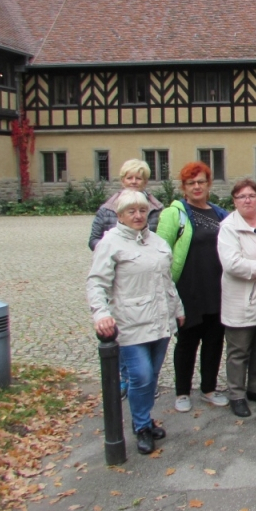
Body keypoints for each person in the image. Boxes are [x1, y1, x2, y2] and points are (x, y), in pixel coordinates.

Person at [88, 190, 184, 455]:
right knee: (140, 375)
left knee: (151, 376)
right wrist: (101, 314)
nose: (138, 216)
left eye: (142, 211)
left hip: (160, 320)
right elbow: (96, 282)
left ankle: (143, 418)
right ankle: (141, 426)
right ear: (119, 215)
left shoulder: (157, 242)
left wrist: (178, 308)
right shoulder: (111, 243)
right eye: (131, 211)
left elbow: (166, 281)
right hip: (130, 322)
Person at [156, 162, 230, 413]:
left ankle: (209, 388)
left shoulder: (220, 214)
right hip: (189, 289)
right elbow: (161, 252)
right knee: (187, 342)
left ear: (209, 184)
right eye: (191, 183)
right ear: (183, 187)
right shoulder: (174, 214)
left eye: (201, 182)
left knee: (213, 342)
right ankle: (182, 391)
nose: (197, 187)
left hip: (217, 289)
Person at [217, 179, 256, 418]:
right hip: (241, 298)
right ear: (234, 200)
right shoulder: (228, 227)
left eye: (251, 195)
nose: (247, 200)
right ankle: (236, 394)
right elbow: (232, 264)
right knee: (239, 351)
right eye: (241, 196)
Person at [88, 158, 164, 251]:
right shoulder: (106, 209)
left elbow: (162, 240)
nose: (134, 181)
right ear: (123, 181)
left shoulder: (158, 210)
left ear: (145, 182)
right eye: (129, 178)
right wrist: (115, 250)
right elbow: (94, 240)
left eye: (138, 178)